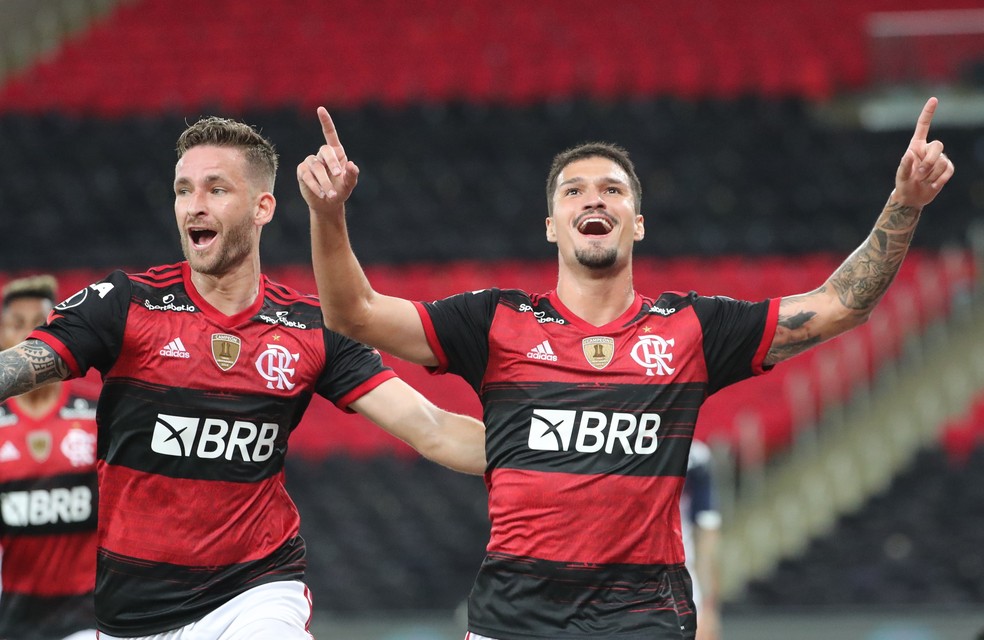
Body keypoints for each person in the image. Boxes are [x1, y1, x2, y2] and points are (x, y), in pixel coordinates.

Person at [298, 98, 953, 639]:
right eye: (574, 190)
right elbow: (354, 313)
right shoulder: (495, 322)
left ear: (637, 224)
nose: (595, 199)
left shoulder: (692, 327)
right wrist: (328, 215)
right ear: (552, 224)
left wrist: (905, 202)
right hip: (512, 622)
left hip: (644, 621)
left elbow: (840, 306)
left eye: (613, 190)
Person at [0, 116, 487, 639]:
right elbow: (23, 364)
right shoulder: (126, 304)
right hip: (132, 615)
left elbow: (431, 426)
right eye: (183, 190)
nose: (195, 205)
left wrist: (554, 453)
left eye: (216, 188)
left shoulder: (310, 328)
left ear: (262, 207)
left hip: (255, 592)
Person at [0, 275, 98, 640]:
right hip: (13, 615)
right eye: (16, 325)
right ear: (1, 337)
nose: (27, 336)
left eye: (38, 325)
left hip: (86, 613)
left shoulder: (92, 416)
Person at [682, 440, 721, 640]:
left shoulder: (694, 456)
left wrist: (709, 608)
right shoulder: (617, 445)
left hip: (680, 581)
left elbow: (707, 535)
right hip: (627, 582)